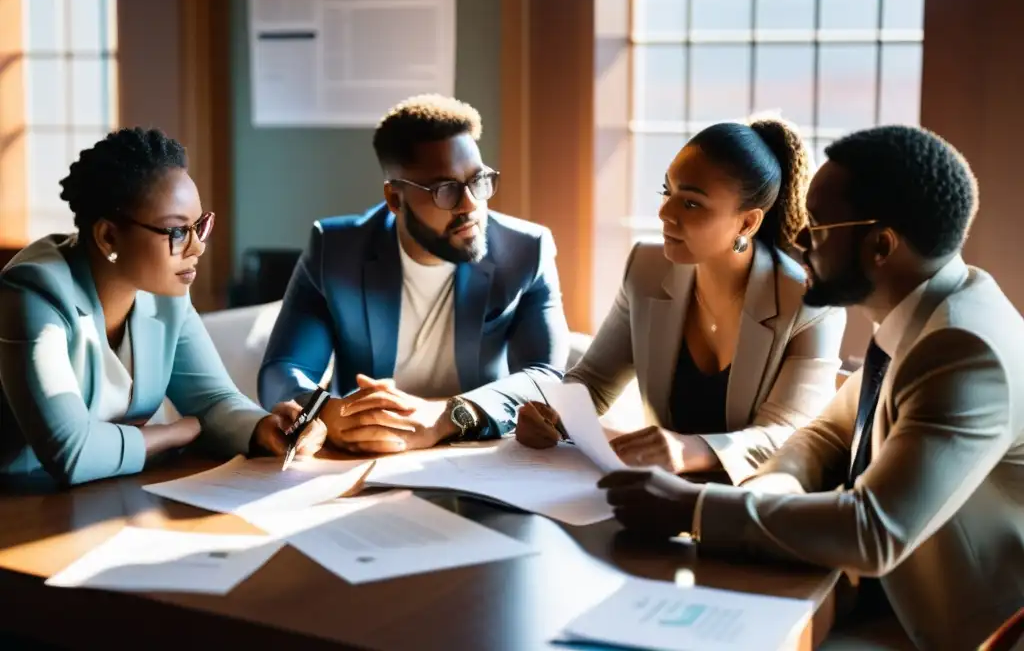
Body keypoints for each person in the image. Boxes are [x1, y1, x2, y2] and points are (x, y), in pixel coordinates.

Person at [598, 126, 1024, 651]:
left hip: (952, 633)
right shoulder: (922, 312)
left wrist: (693, 508)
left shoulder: (962, 348)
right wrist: (768, 489)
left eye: (818, 225)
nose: (799, 240)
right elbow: (824, 434)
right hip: (877, 602)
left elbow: (872, 530)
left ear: (882, 246)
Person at [517, 118, 846, 485]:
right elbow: (593, 381)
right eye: (666, 191)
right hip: (652, 497)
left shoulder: (810, 302)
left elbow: (787, 435)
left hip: (747, 508)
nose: (665, 212)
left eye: (691, 203)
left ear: (747, 223)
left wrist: (689, 449)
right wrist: (554, 412)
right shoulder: (645, 268)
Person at [0, 128, 325, 487]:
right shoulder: (31, 292)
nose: (197, 248)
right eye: (176, 232)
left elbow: (212, 400)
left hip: (110, 494)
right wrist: (172, 435)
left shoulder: (167, 294)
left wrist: (264, 428)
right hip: (22, 506)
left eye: (200, 227)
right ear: (108, 236)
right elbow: (71, 451)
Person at [259, 94, 569, 453]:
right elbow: (282, 370)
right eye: (446, 190)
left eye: (478, 180)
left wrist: (445, 417)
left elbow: (545, 377)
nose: (471, 205)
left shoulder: (526, 250)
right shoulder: (336, 251)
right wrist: (327, 411)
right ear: (395, 199)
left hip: (476, 455)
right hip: (365, 453)